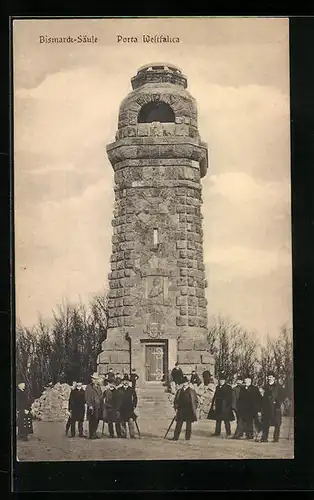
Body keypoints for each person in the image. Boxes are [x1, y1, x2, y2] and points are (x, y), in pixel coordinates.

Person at [232, 376, 261, 440]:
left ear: (250, 382)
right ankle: (237, 434)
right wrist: (238, 406)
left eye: (246, 382)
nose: (245, 383)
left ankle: (249, 435)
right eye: (244, 382)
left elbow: (258, 399)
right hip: (243, 408)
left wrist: (257, 408)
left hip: (251, 408)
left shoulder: (255, 389)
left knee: (249, 422)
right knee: (240, 422)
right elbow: (240, 398)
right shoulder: (242, 389)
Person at [171, 376, 198, 441]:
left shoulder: (192, 391)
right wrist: (176, 407)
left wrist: (194, 408)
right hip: (181, 409)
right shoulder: (179, 391)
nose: (184, 384)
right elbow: (176, 400)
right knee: (179, 424)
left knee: (188, 424)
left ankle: (187, 437)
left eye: (185, 383)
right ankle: (176, 437)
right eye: (183, 383)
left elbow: (196, 401)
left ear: (188, 383)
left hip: (189, 410)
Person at [208, 372, 234, 437]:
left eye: (222, 380)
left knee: (226, 420)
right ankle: (217, 432)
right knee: (218, 420)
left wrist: (229, 405)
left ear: (225, 381)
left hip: (225, 406)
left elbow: (230, 397)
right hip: (218, 405)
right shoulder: (217, 387)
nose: (221, 381)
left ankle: (228, 432)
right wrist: (213, 404)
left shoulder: (228, 387)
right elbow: (215, 396)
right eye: (220, 380)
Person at [260, 372, 284, 443]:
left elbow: (282, 395)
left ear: (274, 378)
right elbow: (262, 397)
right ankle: (264, 438)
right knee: (265, 423)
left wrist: (277, 402)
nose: (269, 378)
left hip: (276, 408)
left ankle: (276, 438)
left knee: (277, 423)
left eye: (270, 377)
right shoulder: (265, 386)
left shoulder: (278, 386)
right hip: (266, 407)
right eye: (268, 377)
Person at [85, 373, 103, 439]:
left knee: (97, 420)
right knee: (92, 421)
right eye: (93, 379)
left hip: (98, 406)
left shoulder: (99, 387)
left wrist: (101, 405)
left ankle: (94, 433)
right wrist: (89, 405)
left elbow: (101, 396)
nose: (94, 380)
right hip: (92, 406)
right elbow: (87, 397)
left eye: (96, 379)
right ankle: (91, 434)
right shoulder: (89, 387)